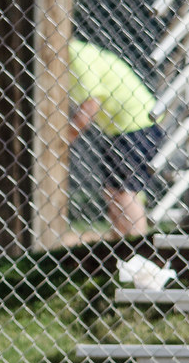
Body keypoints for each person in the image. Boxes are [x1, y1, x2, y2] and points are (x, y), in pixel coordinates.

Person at [67, 39, 163, 238]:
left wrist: (62, 141)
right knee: (112, 190)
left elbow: (90, 107)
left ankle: (138, 248)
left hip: (135, 123)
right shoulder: (73, 55)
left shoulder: (77, 57)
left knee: (125, 191)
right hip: (120, 127)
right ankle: (120, 246)